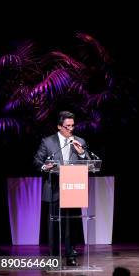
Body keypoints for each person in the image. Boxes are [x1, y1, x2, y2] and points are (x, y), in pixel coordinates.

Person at [33, 111, 91, 266]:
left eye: (72, 126)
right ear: (59, 127)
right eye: (67, 126)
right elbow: (37, 160)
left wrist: (82, 154)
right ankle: (53, 257)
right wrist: (46, 166)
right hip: (54, 187)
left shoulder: (80, 141)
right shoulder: (48, 142)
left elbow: (89, 163)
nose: (70, 129)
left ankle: (71, 255)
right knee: (54, 225)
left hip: (73, 188)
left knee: (71, 225)